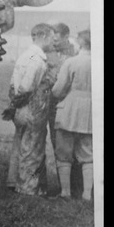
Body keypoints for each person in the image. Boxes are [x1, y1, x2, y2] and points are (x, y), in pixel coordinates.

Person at [5, 23, 56, 196]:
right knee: (33, 149)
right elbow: (26, 88)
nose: (53, 41)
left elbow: (13, 85)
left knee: (20, 145)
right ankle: (28, 189)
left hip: (20, 108)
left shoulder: (24, 55)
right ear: (43, 36)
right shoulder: (38, 60)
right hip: (33, 109)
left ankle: (15, 182)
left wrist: (14, 105)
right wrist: (22, 102)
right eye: (51, 37)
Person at [52, 29, 93, 200]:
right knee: (87, 152)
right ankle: (87, 194)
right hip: (91, 110)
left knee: (64, 151)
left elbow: (58, 90)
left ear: (81, 42)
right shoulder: (100, 62)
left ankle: (65, 192)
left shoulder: (72, 62)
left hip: (70, 108)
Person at [38, 22, 78, 193]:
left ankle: (74, 186)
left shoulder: (73, 53)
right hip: (51, 103)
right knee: (55, 143)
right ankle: (64, 187)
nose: (54, 40)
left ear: (65, 36)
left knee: (69, 145)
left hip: (64, 102)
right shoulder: (49, 52)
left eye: (57, 37)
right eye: (52, 36)